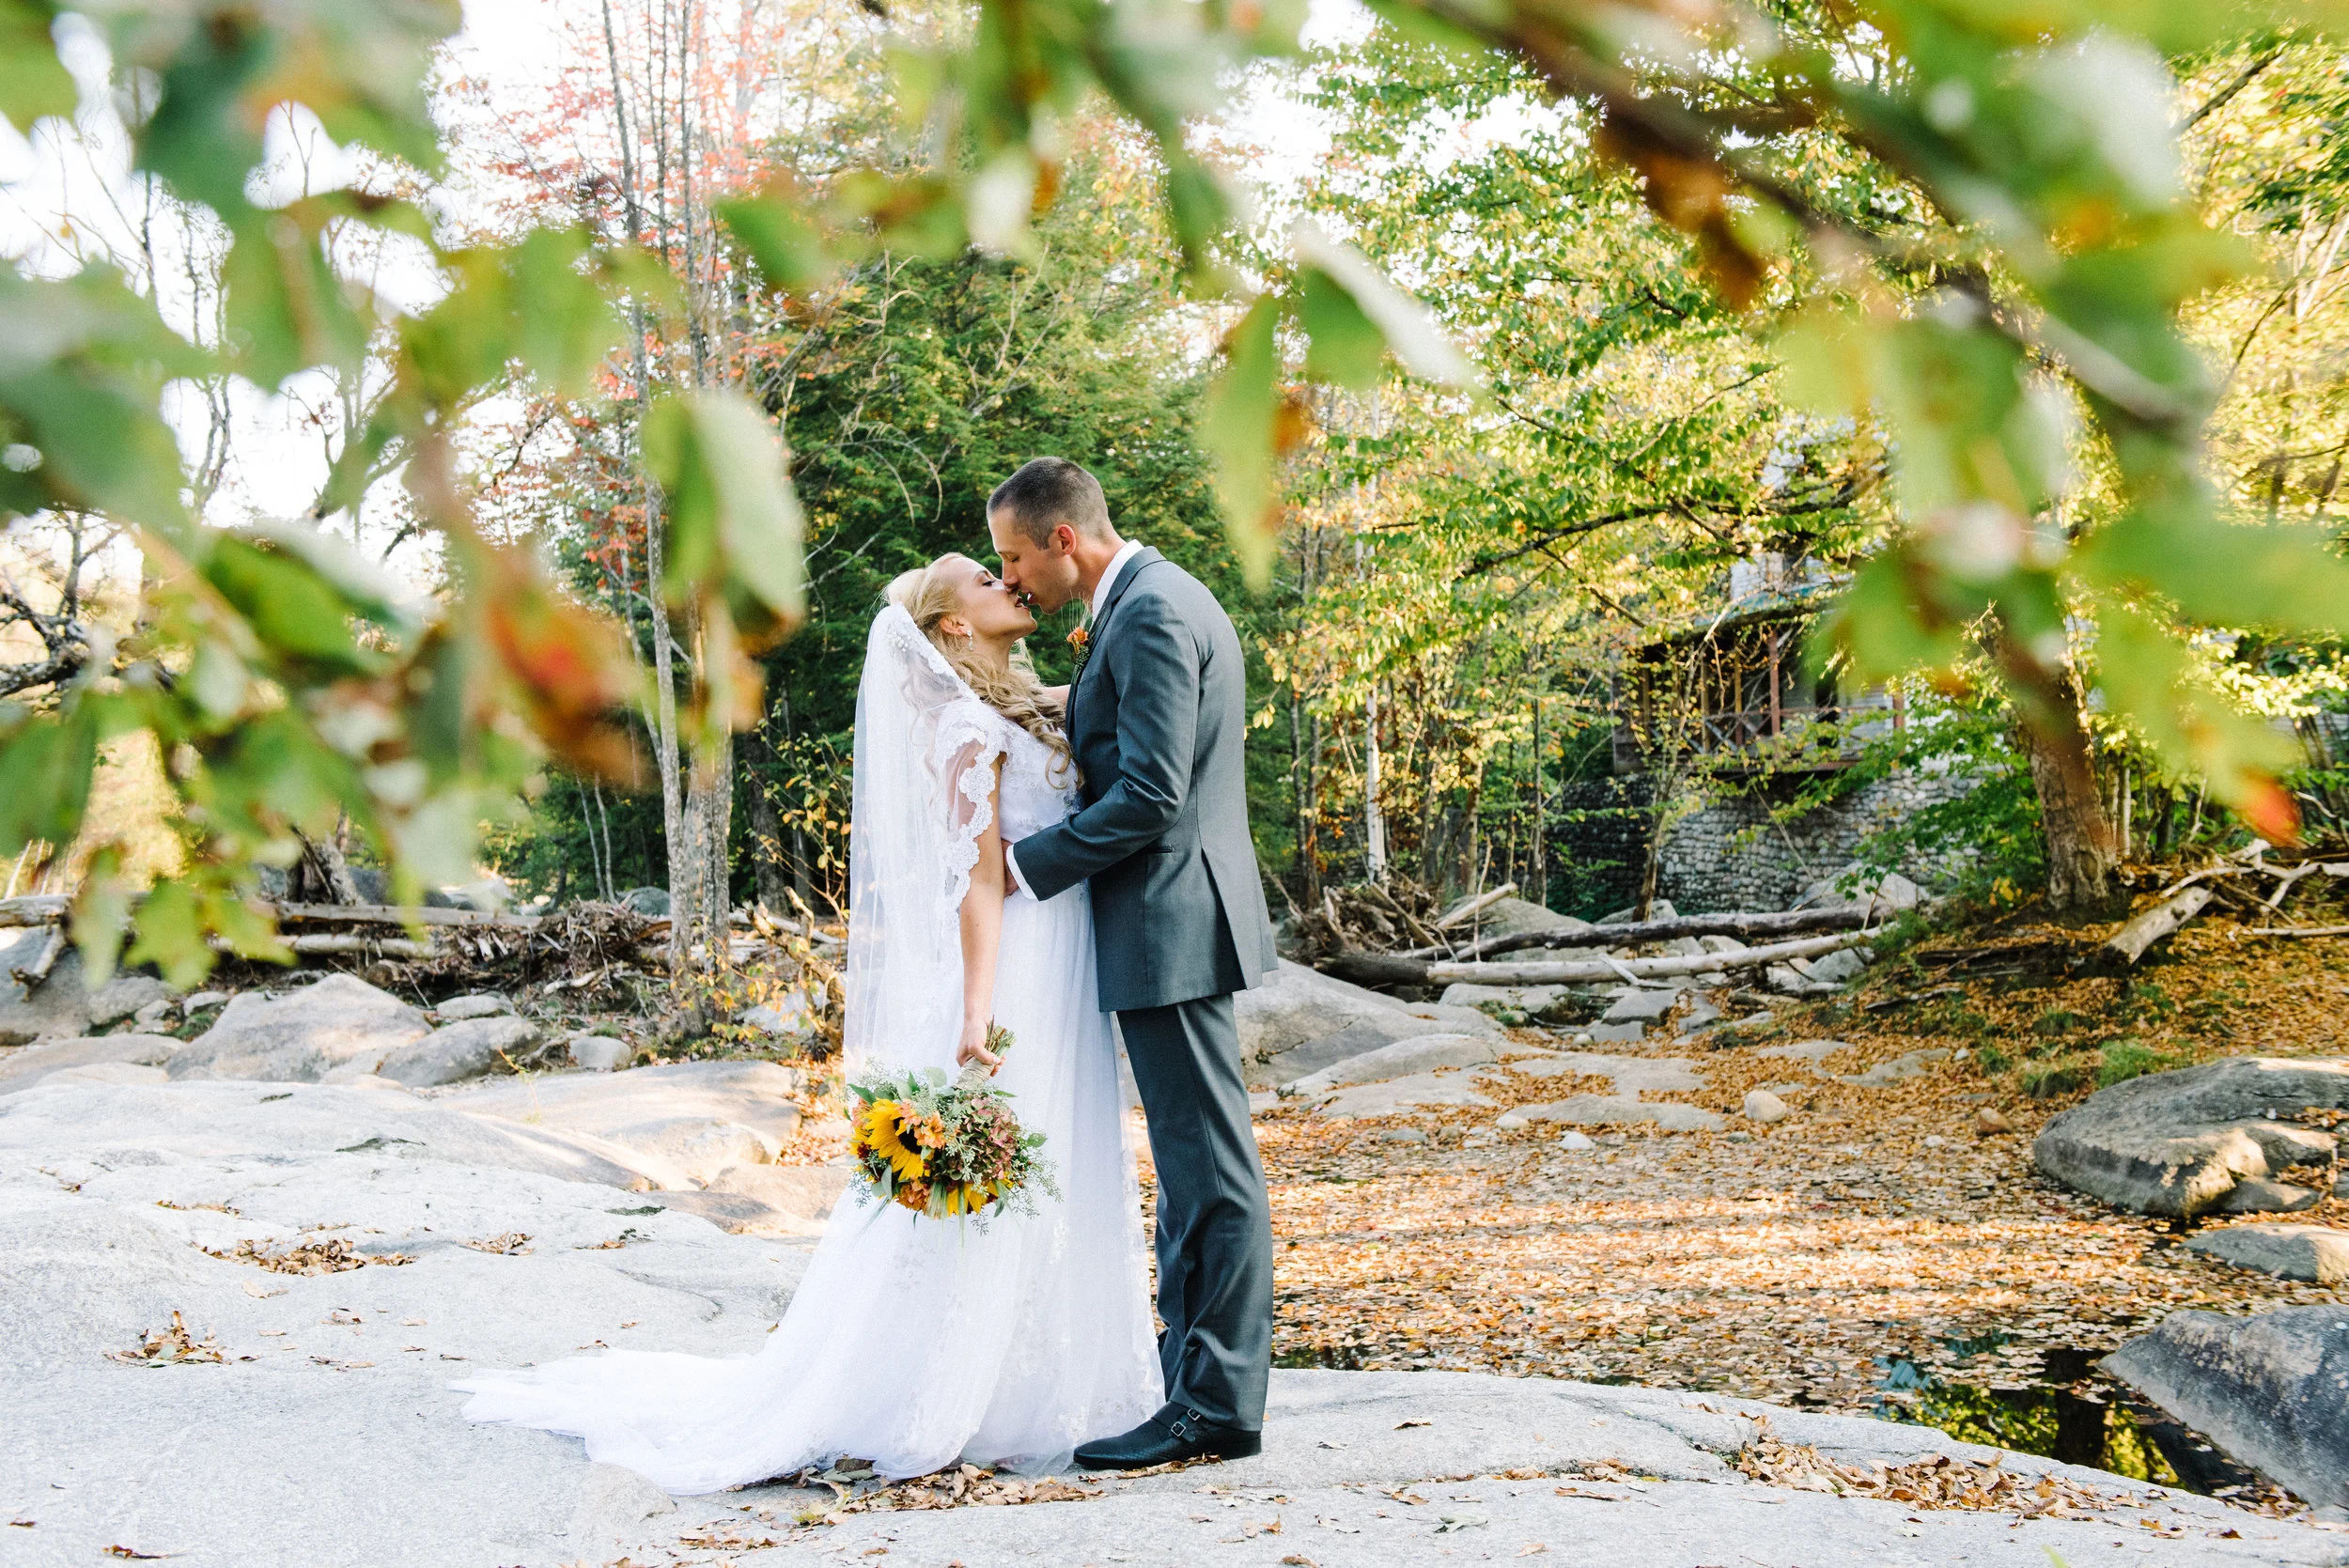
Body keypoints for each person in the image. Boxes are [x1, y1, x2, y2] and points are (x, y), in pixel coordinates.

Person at [454, 551, 1161, 1491]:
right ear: (953, 625)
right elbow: (976, 877)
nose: (1008, 584)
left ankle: (1026, 1386)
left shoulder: (1012, 702)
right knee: (991, 1175)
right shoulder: (958, 722)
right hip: (1013, 968)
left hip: (1057, 961)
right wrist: (978, 1012)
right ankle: (939, 1388)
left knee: (1052, 1160)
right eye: (985, 582)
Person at [988, 456, 1279, 1470]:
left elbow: (1151, 792)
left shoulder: (1151, 612)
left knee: (1207, 1170)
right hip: (1168, 918)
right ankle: (1191, 1384)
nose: (1013, 579)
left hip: (1171, 919)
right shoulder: (1146, 601)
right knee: (1195, 1165)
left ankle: (1212, 1406)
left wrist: (1023, 867)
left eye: (1015, 556)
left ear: (1062, 538)